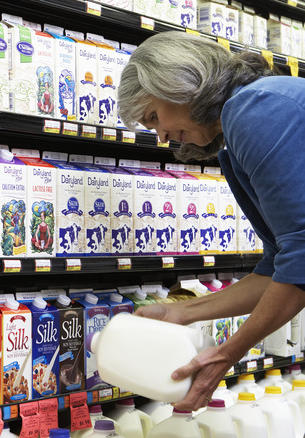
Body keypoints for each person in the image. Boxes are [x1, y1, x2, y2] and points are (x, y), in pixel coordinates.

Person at [117, 30, 305, 412]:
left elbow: (302, 257)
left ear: (182, 83)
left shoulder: (255, 109)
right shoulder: (237, 132)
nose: (163, 135)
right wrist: (182, 312)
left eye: (154, 117)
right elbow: (276, 266)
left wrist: (225, 354)